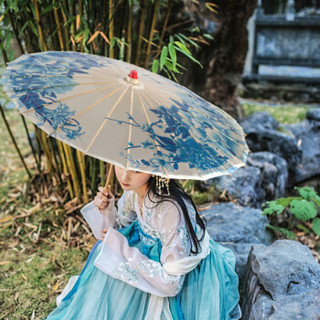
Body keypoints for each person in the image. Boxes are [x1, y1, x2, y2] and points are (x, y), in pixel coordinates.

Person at [45, 166, 241, 320]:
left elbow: (172, 284)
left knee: (112, 258)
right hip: (150, 251)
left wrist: (122, 249)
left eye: (137, 169)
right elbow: (122, 226)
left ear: (155, 170)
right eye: (121, 164)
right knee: (106, 259)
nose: (125, 176)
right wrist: (107, 210)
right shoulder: (134, 191)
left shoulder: (169, 210)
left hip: (175, 270)